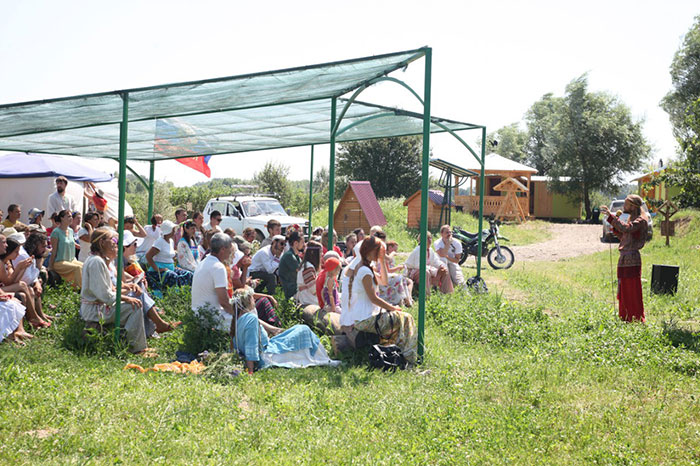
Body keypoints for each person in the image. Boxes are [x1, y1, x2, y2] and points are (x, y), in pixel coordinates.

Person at [340, 236, 417, 364]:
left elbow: (384, 281)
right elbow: (373, 298)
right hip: (364, 319)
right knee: (406, 318)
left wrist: (382, 261)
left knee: (400, 318)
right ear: (371, 251)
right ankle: (410, 358)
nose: (382, 254)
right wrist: (392, 308)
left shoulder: (365, 267)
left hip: (365, 316)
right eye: (379, 251)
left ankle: (399, 353)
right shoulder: (364, 271)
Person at [231, 287, 338, 373]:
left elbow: (238, 345)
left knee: (298, 328)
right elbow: (251, 345)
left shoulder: (237, 320)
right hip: (268, 354)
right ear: (247, 301)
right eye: (252, 298)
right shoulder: (250, 319)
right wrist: (250, 371)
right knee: (303, 330)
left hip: (268, 345)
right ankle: (320, 357)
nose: (254, 300)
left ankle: (320, 355)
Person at [192, 233, 282, 334]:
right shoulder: (218, 267)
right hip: (211, 317)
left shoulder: (205, 262)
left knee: (247, 311)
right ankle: (268, 334)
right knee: (248, 316)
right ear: (222, 249)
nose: (231, 252)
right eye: (230, 248)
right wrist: (238, 314)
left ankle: (272, 330)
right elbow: (224, 302)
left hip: (200, 314)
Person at [80, 228, 151, 355]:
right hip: (94, 310)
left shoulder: (99, 260)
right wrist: (126, 298)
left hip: (99, 306)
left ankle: (131, 340)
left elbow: (109, 289)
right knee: (133, 307)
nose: (116, 244)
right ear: (102, 243)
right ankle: (136, 348)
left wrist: (127, 287)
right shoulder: (96, 262)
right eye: (113, 241)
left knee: (135, 300)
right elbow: (105, 295)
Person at [119, 230, 180, 336]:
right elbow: (120, 279)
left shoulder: (129, 258)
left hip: (126, 287)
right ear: (125, 246)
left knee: (140, 288)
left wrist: (138, 278)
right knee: (139, 291)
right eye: (134, 244)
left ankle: (156, 325)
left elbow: (132, 274)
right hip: (119, 291)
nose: (136, 247)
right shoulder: (118, 260)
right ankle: (158, 324)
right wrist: (134, 281)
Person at [601, 194, 649, 322]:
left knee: (631, 289)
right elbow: (625, 236)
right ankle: (625, 316)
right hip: (624, 258)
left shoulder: (641, 220)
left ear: (633, 206)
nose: (624, 206)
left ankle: (635, 316)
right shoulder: (632, 219)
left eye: (626, 204)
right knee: (623, 289)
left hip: (632, 258)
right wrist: (616, 231)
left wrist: (611, 217)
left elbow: (626, 229)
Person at [0, 236, 49, 328]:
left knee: (30, 289)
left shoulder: (8, 262)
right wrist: (19, 267)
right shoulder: (1, 263)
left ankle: (36, 317)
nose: (18, 254)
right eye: (16, 252)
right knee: (23, 286)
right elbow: (8, 282)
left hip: (5, 287)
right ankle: (34, 317)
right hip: (2, 289)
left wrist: (23, 268)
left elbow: (14, 281)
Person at [145, 220, 193, 290]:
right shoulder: (160, 242)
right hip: (158, 271)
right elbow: (148, 256)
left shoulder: (171, 241)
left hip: (171, 268)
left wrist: (175, 266)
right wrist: (157, 269)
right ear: (168, 231)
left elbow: (170, 257)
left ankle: (187, 294)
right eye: (173, 229)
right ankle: (173, 296)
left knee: (188, 274)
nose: (174, 231)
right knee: (173, 276)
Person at [49, 210, 83, 288]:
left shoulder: (70, 231)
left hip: (71, 260)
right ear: (62, 218)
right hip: (60, 262)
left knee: (84, 266)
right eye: (68, 216)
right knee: (77, 268)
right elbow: (54, 250)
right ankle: (80, 290)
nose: (71, 218)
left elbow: (72, 243)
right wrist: (51, 266)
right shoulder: (56, 232)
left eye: (71, 216)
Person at [377, 240, 414, 307]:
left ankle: (409, 297)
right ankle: (407, 300)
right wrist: (398, 267)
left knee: (409, 281)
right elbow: (388, 270)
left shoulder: (387, 256)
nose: (396, 251)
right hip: (385, 276)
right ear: (390, 248)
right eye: (395, 249)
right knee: (401, 279)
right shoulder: (386, 256)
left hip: (388, 275)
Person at [278, 230, 304, 299]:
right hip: (290, 289)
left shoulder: (296, 256)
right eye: (302, 242)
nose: (304, 245)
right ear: (295, 243)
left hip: (295, 287)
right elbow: (300, 271)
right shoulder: (289, 256)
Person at [296, 241, 321, 306]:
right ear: (313, 253)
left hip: (307, 297)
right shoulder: (308, 267)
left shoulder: (307, 265)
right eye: (320, 252)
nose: (322, 254)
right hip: (307, 299)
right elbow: (313, 289)